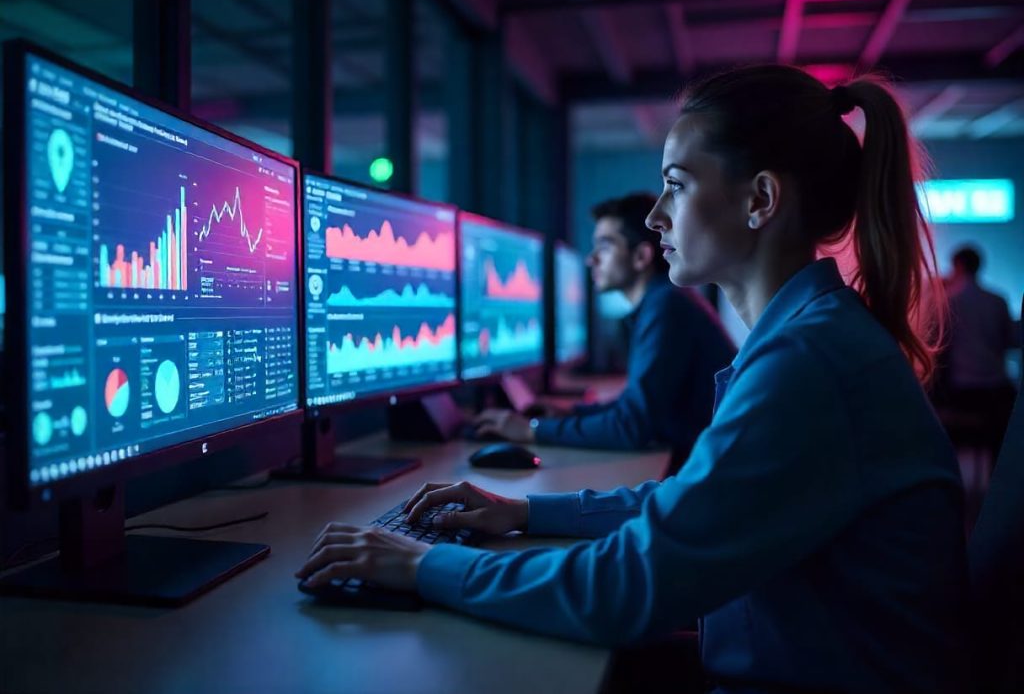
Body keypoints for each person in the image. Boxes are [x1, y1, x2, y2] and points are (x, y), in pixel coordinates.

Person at [297, 65, 969, 693]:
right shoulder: (811, 337)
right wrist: (526, 511)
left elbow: (626, 587)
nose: (655, 217)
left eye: (677, 184)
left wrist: (420, 564)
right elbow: (692, 502)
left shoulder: (809, 362)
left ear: (761, 199)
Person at [471, 193, 736, 466]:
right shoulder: (663, 300)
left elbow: (632, 425)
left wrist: (532, 430)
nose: (591, 260)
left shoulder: (666, 306)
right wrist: (569, 413)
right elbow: (634, 406)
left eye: (604, 246)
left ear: (641, 256)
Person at [934, 245, 1019, 465]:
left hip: (962, 390)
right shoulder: (998, 300)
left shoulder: (949, 301)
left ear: (958, 266)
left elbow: (939, 346)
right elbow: (1011, 340)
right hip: (996, 389)